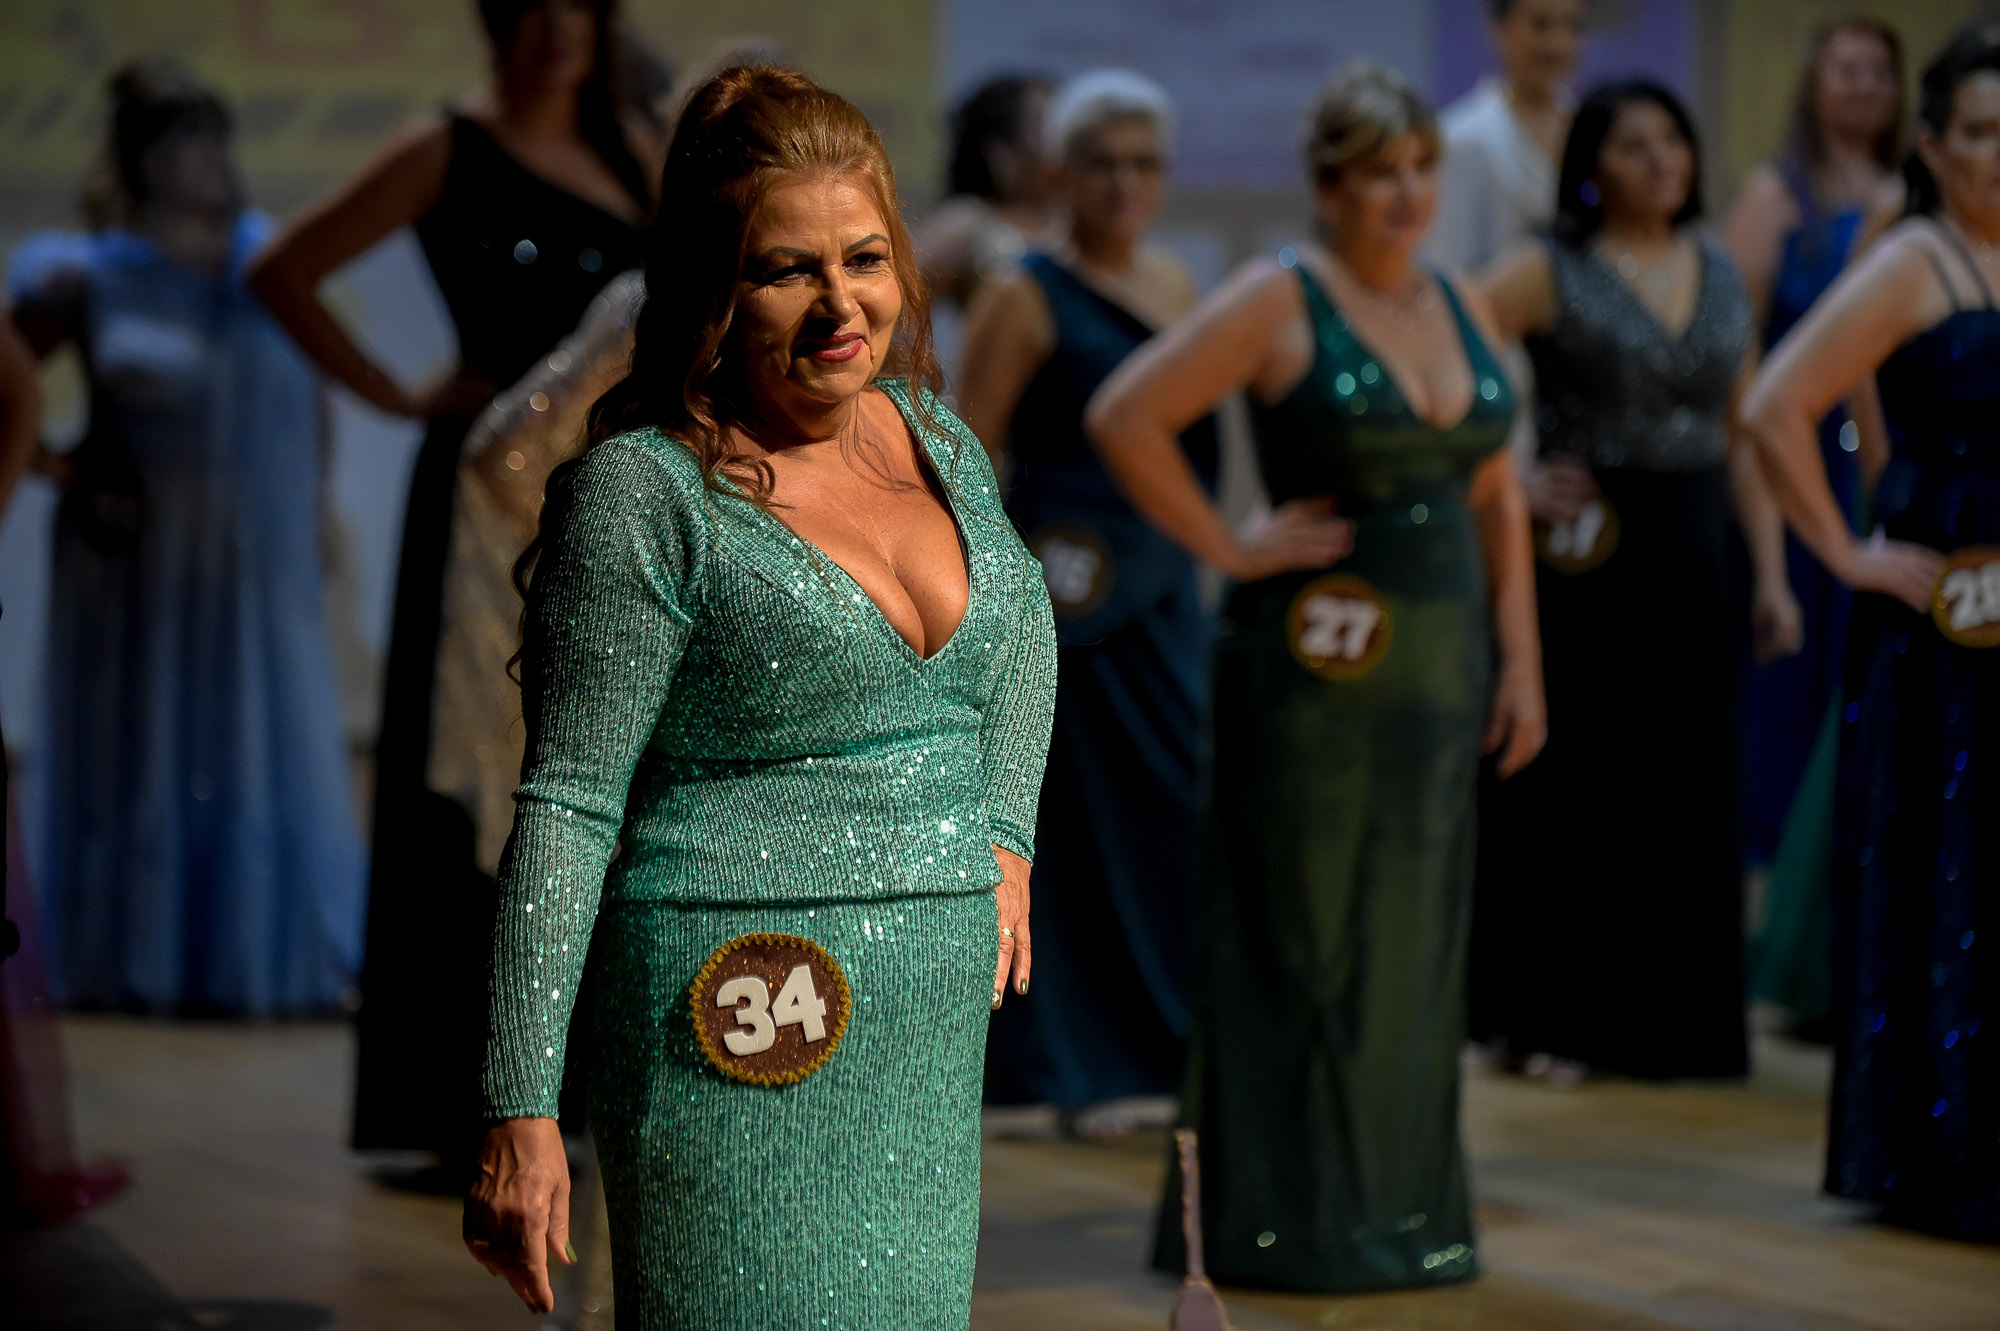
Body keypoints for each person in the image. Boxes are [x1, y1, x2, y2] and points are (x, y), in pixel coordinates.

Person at [459, 65, 1056, 1325]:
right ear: (711, 291)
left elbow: (1023, 637)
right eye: (787, 270)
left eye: (865, 258)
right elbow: (567, 807)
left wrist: (1003, 831)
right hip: (731, 1011)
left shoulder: (934, 438)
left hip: (925, 1022)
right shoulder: (646, 493)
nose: (841, 304)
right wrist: (520, 1105)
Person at [1088, 60, 1543, 1293]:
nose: (1406, 193)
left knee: (1412, 939)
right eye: (1378, 172)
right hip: (1307, 677)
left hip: (1439, 672)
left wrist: (1521, 657)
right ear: (1328, 184)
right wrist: (1229, 543)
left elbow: (1493, 493)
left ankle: (1402, 1213)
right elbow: (1124, 414)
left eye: (1420, 169)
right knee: (1300, 934)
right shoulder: (1275, 295)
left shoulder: (1459, 298)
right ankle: (1280, 1222)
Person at [249, 0, 653, 1163]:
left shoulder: (633, 145)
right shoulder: (446, 147)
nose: (558, 29)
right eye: (535, 6)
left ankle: (579, 1088)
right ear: (496, 22)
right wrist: (392, 391)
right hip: (484, 498)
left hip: (604, 491)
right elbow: (283, 269)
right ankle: (463, 1102)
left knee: (592, 769)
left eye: (579, 7)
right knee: (477, 769)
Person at [6, 60, 362, 1014]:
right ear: (141, 157)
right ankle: (138, 953)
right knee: (147, 741)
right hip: (138, 559)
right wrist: (60, 468)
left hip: (253, 553)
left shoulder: (264, 261)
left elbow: (313, 390)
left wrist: (319, 506)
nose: (204, 157)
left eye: (211, 136)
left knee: (256, 735)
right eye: (179, 139)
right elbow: (7, 381)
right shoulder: (86, 274)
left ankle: (254, 951)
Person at [1469, 81, 1796, 1082]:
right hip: (1587, 554)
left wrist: (1771, 571)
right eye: (1633, 146)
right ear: (1590, 168)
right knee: (1581, 785)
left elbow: (1743, 432)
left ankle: (1673, 1027)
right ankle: (1554, 1019)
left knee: (1688, 785)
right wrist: (1510, 474)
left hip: (1698, 545)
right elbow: (1446, 349)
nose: (1661, 161)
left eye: (1672, 141)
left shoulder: (1718, 266)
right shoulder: (1547, 264)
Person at [1740, 24, 2000, 1243]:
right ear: (1932, 148)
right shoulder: (1910, 261)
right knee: (1945, 867)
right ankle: (1940, 1153)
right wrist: (1843, 552)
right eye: (1981, 133)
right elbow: (1771, 402)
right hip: (1938, 616)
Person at [955, 69, 1212, 1136]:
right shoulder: (1021, 290)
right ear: (1058, 172)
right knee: (1063, 835)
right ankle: (1056, 1070)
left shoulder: (1179, 284)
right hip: (1058, 605)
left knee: (1171, 812)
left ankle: (1151, 1053)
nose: (1122, 183)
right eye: (1100, 163)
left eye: (1142, 164)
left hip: (1160, 593)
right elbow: (970, 449)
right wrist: (994, 596)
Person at [1724, 17, 1905, 1035]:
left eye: (1880, 70)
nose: (1864, 85)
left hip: (1879, 469)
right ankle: (1785, 938)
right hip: (1800, 464)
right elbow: (1741, 356)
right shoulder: (1776, 194)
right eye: (1847, 69)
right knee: (1789, 703)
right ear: (1813, 80)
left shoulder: (1907, 194)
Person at [915, 75, 1055, 385]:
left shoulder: (1075, 228)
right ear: (999, 151)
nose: (1064, 145)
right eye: (1050, 130)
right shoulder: (967, 222)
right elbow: (886, 306)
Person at [1430, 0, 1587, 276]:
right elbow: (1446, 268)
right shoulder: (1462, 138)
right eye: (1541, 24)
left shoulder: (1590, 128)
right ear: (1499, 28)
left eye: (1572, 26)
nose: (1558, 43)